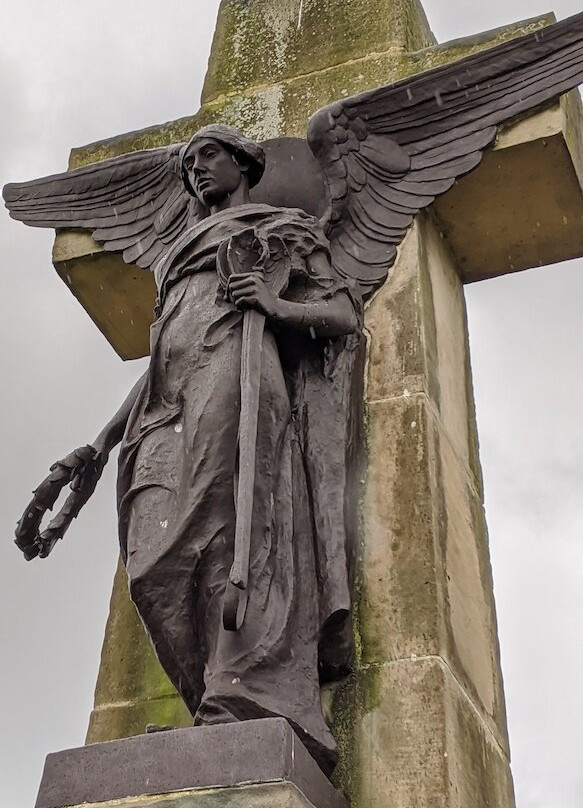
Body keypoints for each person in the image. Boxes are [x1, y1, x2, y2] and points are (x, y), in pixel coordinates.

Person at [84, 125, 359, 774]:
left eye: (207, 156)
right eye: (186, 164)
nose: (195, 171)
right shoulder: (179, 251)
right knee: (152, 564)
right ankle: (209, 694)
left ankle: (235, 703)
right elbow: (162, 348)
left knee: (229, 535)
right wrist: (99, 443)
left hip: (233, 378)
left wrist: (273, 304)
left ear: (243, 163)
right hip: (165, 397)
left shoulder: (280, 227)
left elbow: (343, 314)